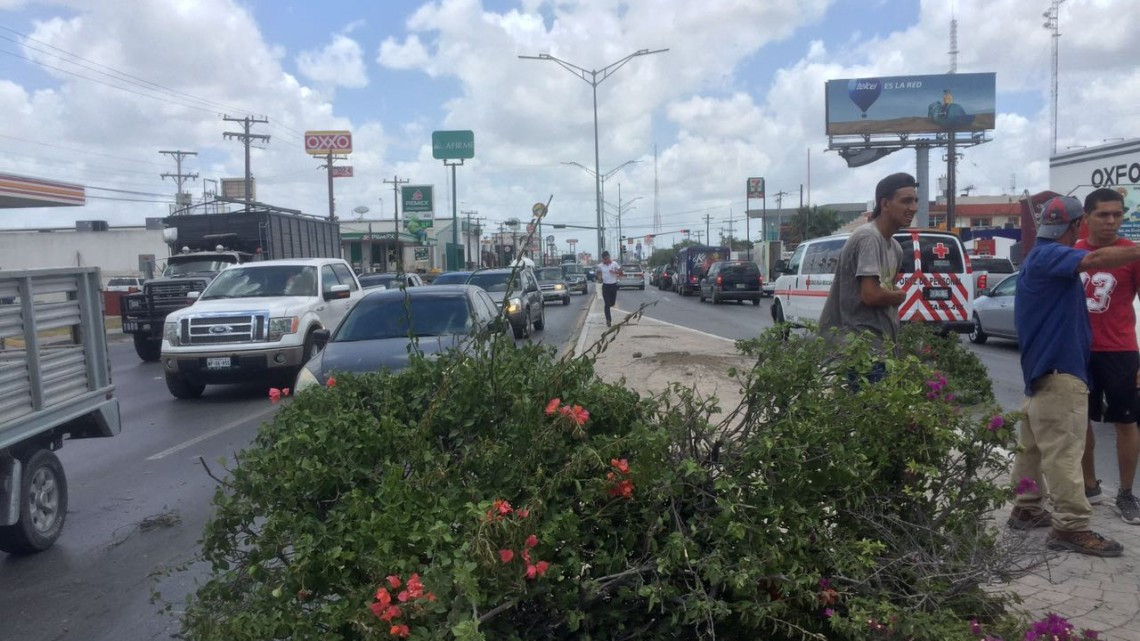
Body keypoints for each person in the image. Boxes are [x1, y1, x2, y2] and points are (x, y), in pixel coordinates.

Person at [1008, 195, 1140, 557]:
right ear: (1076, 226)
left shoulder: (1038, 256)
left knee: (1032, 449)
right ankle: (1071, 527)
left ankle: (1026, 507)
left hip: (1041, 372)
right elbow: (1096, 258)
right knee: (1066, 452)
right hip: (1059, 372)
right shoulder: (1051, 254)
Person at [1075, 188, 1140, 524]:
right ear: (1086, 217)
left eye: (1118, 214)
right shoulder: (1072, 253)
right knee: (1079, 421)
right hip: (1079, 351)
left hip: (1121, 350)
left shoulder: (1132, 254)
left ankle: (1127, 494)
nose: (1112, 221)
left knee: (1126, 422)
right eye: (1103, 214)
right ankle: (1089, 485)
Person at [818, 172, 913, 376]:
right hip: (862, 351)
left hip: (883, 348)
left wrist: (891, 294)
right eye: (906, 201)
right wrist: (899, 295)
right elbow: (871, 295)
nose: (912, 207)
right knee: (872, 408)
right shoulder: (869, 238)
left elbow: (884, 288)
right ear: (885, 204)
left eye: (915, 200)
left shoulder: (894, 247)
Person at [595, 251, 624, 327]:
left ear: (609, 257)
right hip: (605, 286)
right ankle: (608, 320)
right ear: (603, 259)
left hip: (613, 286)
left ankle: (610, 310)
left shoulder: (614, 264)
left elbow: (621, 273)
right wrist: (599, 278)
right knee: (607, 304)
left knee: (612, 303)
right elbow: (598, 274)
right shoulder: (600, 266)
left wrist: (615, 271)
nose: (606, 260)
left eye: (607, 259)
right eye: (605, 259)